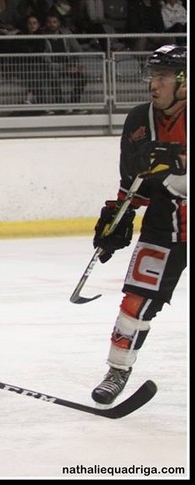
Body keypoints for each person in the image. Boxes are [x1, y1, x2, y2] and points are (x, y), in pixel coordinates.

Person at [90, 44, 187, 405]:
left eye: (163, 77)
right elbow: (133, 180)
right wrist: (119, 215)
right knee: (134, 301)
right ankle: (117, 369)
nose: (154, 84)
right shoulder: (138, 121)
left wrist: (178, 160)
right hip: (164, 222)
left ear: (183, 82)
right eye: (153, 76)